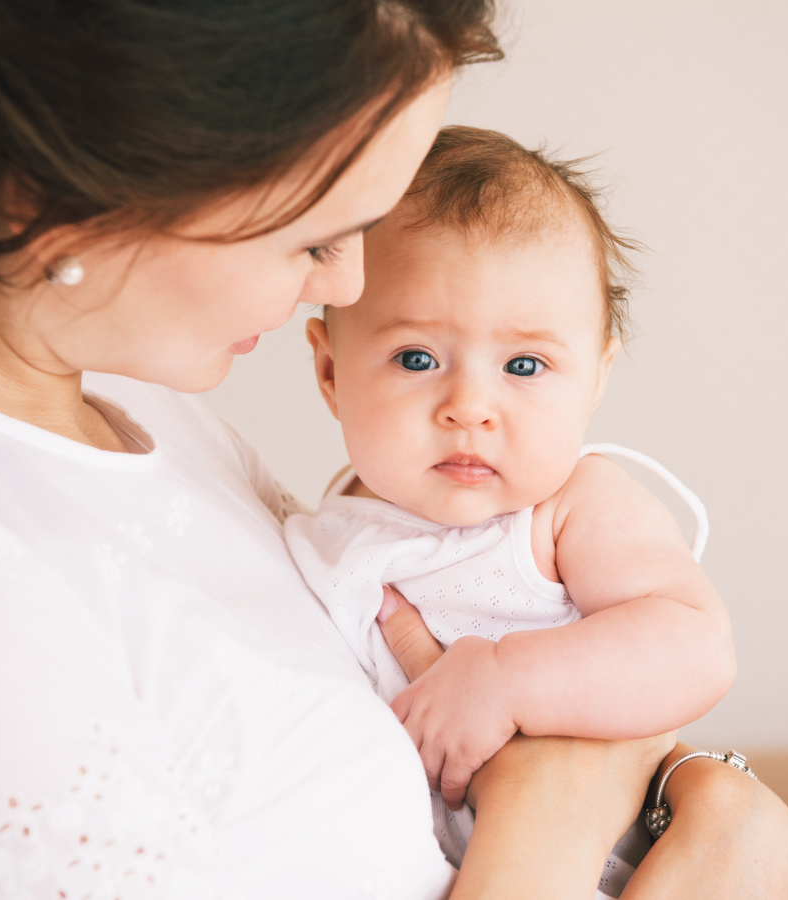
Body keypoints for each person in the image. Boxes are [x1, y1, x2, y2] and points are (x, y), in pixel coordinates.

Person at [0, 0, 788, 897]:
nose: (350, 285)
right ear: (57, 191)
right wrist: (568, 820)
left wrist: (696, 801)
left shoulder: (154, 429)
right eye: (317, 234)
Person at [287, 125, 735, 885]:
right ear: (331, 372)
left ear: (595, 378)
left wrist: (507, 677)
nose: (469, 406)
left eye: (524, 365)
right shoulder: (338, 514)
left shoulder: (569, 510)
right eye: (417, 358)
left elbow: (697, 646)